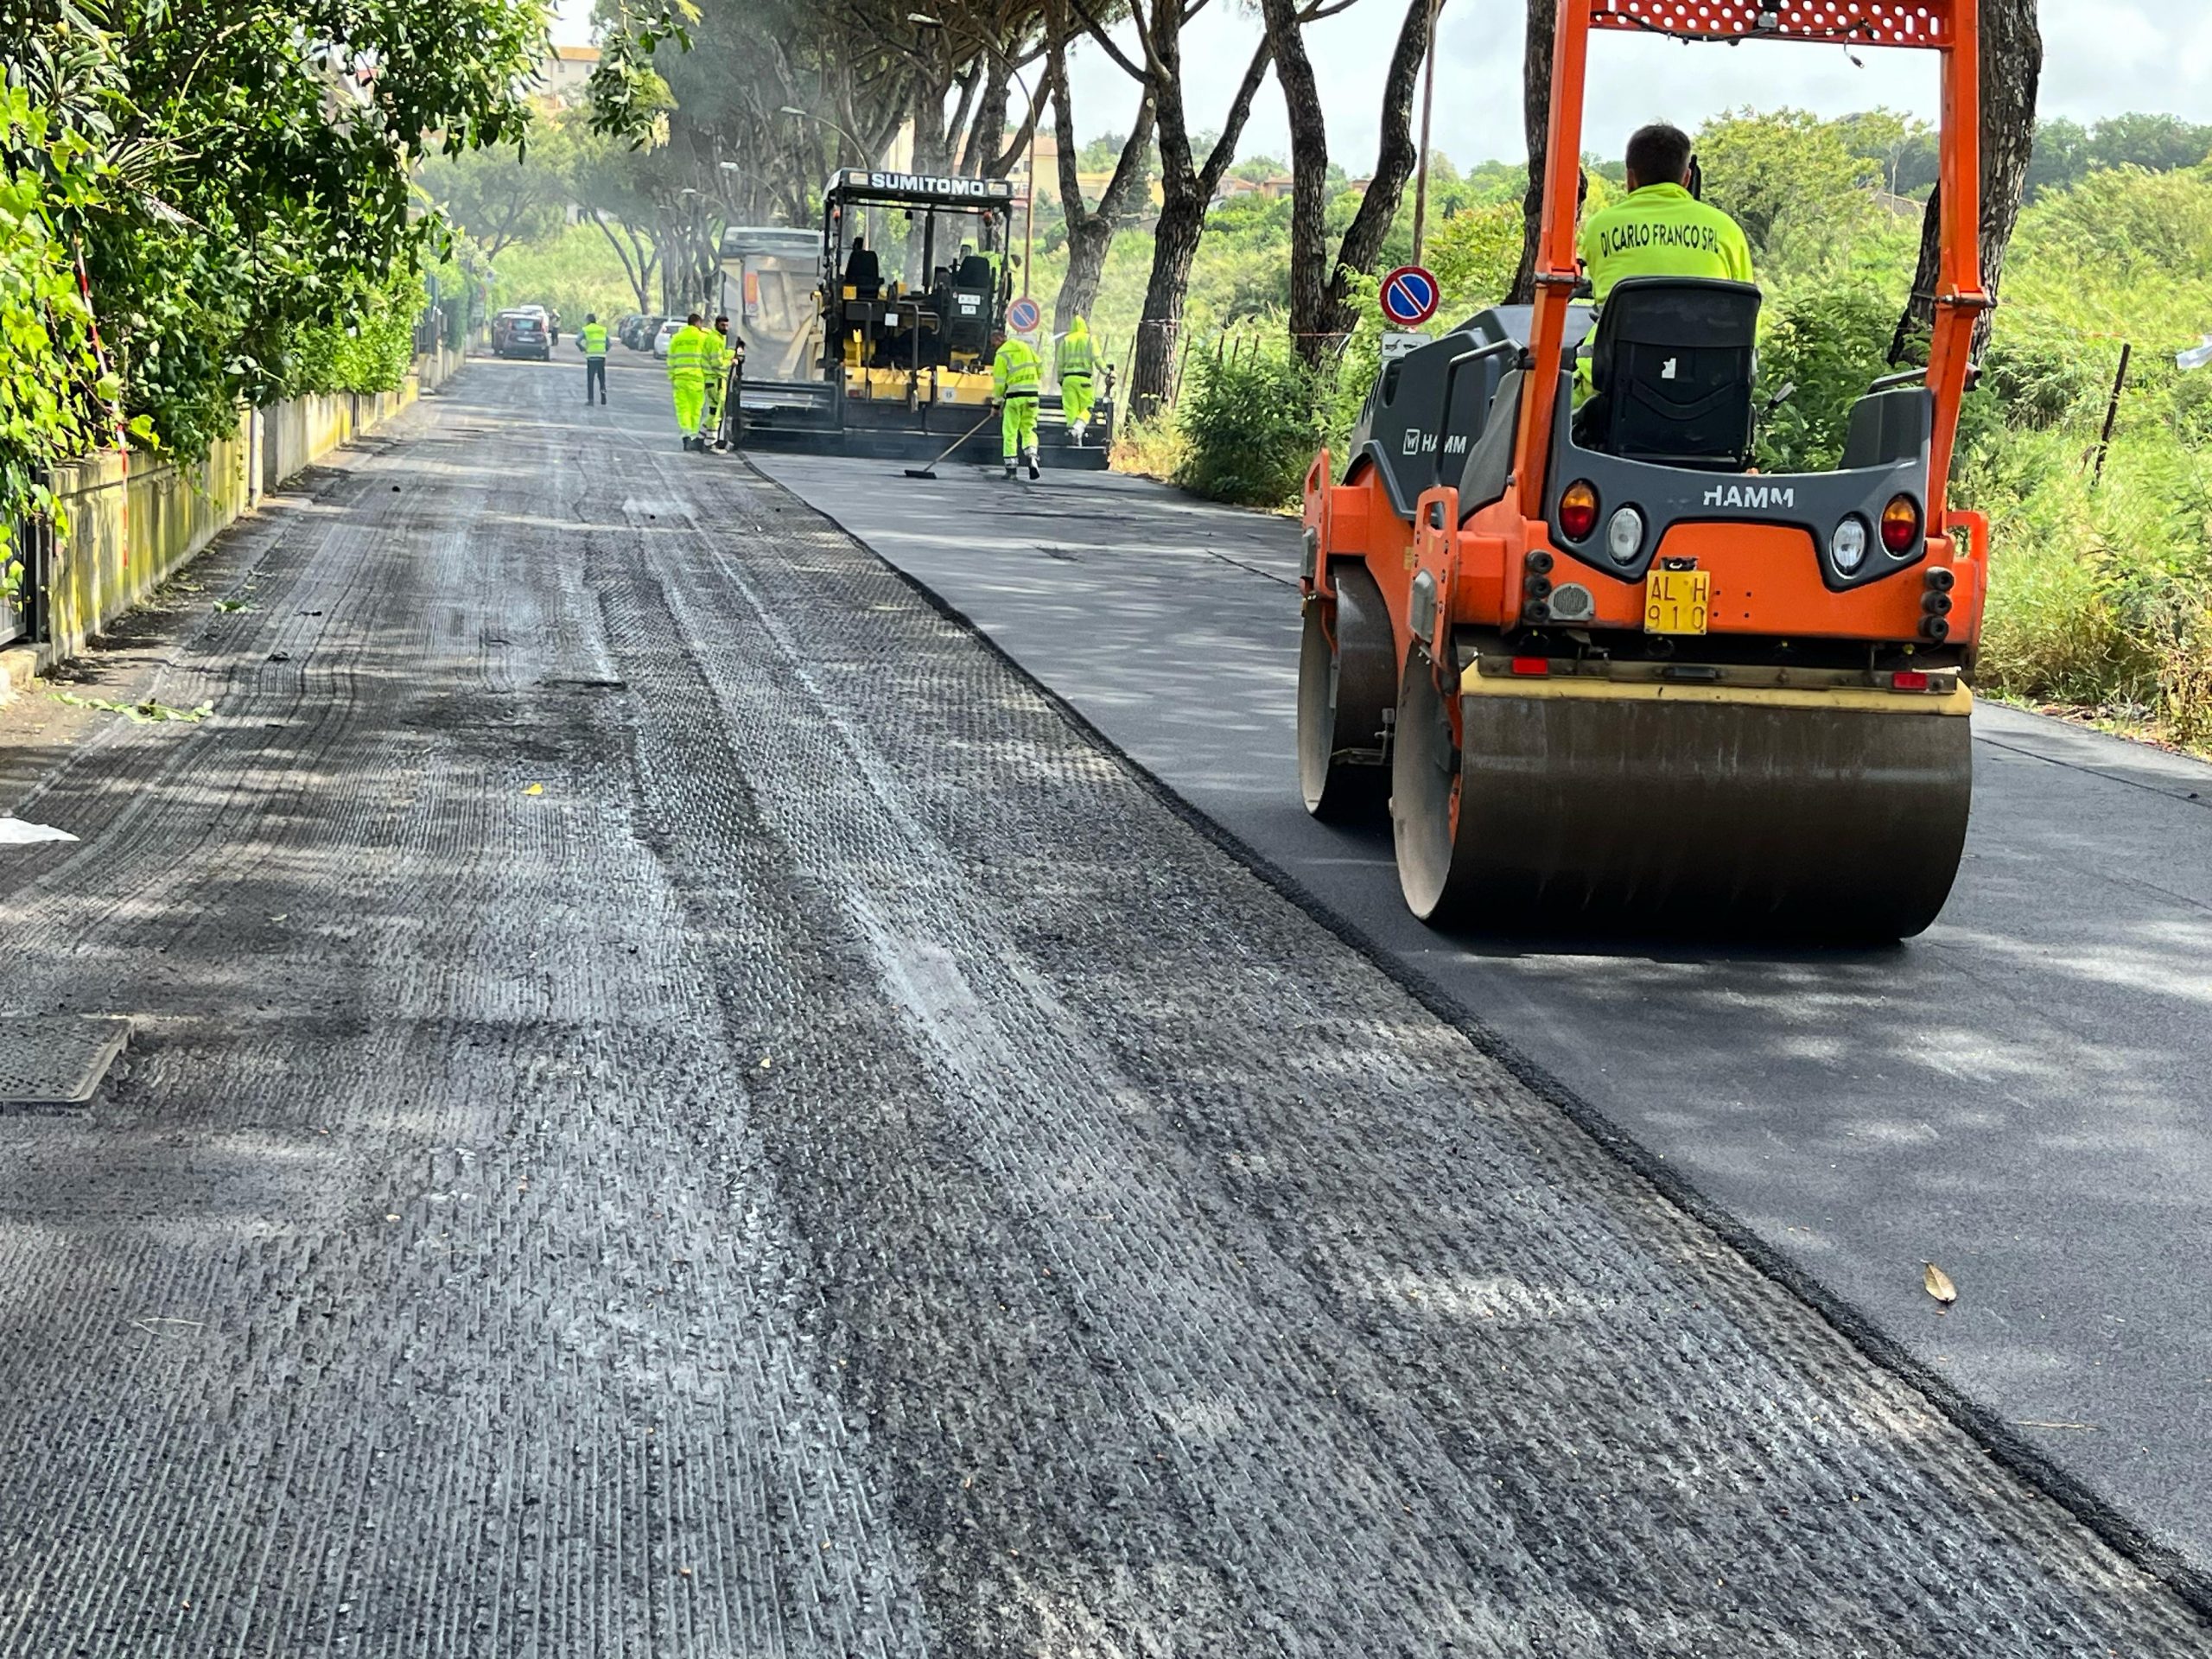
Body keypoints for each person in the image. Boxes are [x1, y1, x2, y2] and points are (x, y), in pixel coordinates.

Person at [1578, 123, 1753, 302]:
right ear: (1686, 178)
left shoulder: (1599, 227)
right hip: (1705, 330)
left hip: (1624, 330)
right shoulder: (1727, 229)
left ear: (1630, 179)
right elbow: (1748, 305)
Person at [989, 326, 1042, 480]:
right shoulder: (1025, 347)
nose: (993, 347)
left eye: (993, 344)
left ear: (998, 340)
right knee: (1029, 429)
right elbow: (1039, 366)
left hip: (1014, 397)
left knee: (1010, 432)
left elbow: (999, 383)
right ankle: (1032, 456)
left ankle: (1011, 470)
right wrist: (1032, 381)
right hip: (1032, 396)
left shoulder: (1001, 354)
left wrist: (996, 405)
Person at [665, 312, 713, 451]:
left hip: (680, 380)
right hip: (697, 379)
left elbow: (670, 360)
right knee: (696, 410)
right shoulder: (704, 337)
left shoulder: (677, 338)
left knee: (683, 410)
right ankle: (694, 437)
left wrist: (672, 377)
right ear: (698, 323)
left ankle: (686, 435)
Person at [1057, 315, 1096, 445]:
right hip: (1084, 379)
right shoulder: (1090, 339)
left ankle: (1073, 435)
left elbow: (1060, 363)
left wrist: (1060, 379)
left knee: (1071, 409)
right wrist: (1107, 371)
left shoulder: (1066, 340)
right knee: (1088, 406)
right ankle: (1078, 428)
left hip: (1068, 380)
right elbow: (1098, 358)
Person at [578, 313, 609, 405]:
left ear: (588, 320)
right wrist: (604, 350)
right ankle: (603, 398)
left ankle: (591, 400)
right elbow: (609, 343)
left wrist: (583, 349)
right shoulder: (602, 330)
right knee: (602, 380)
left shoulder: (586, 330)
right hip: (601, 357)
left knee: (590, 380)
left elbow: (577, 341)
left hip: (591, 358)